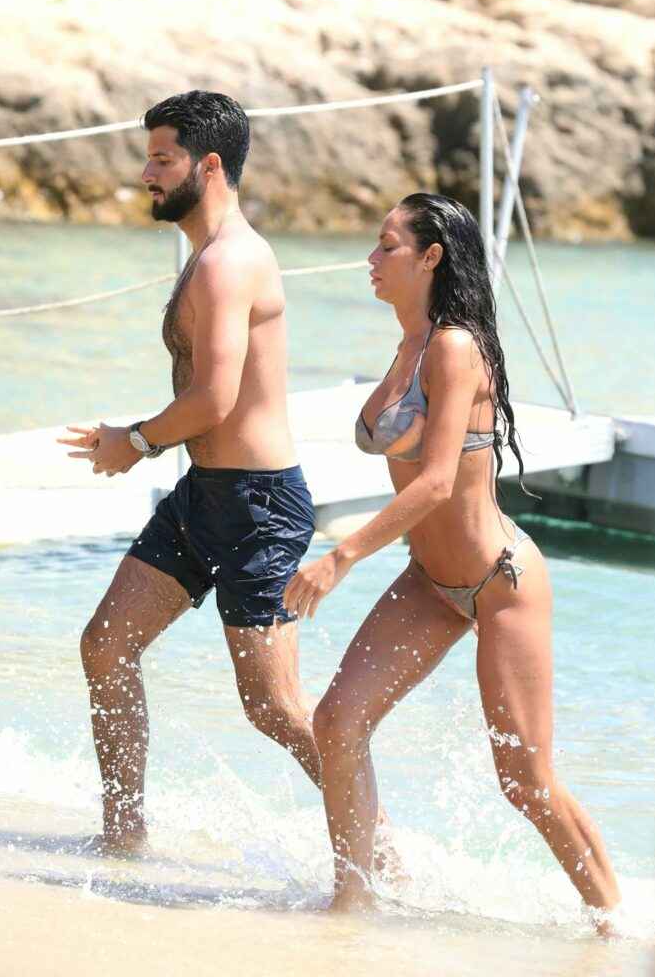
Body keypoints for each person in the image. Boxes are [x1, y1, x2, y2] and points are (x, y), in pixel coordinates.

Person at [284, 193, 621, 927]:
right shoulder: (409, 343)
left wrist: (340, 557)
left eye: (387, 246)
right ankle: (353, 899)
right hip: (429, 583)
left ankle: (615, 924)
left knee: (524, 779)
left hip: (500, 582)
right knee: (337, 722)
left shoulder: (454, 347)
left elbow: (438, 481)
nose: (371, 259)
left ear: (430, 256)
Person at [58, 90, 322, 854]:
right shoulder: (206, 255)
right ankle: (123, 837)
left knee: (273, 708)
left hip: (258, 506)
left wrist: (134, 441)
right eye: (148, 158)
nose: (146, 173)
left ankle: (379, 850)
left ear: (207, 166)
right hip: (205, 494)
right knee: (106, 645)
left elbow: (214, 399)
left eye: (161, 159)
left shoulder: (230, 262)